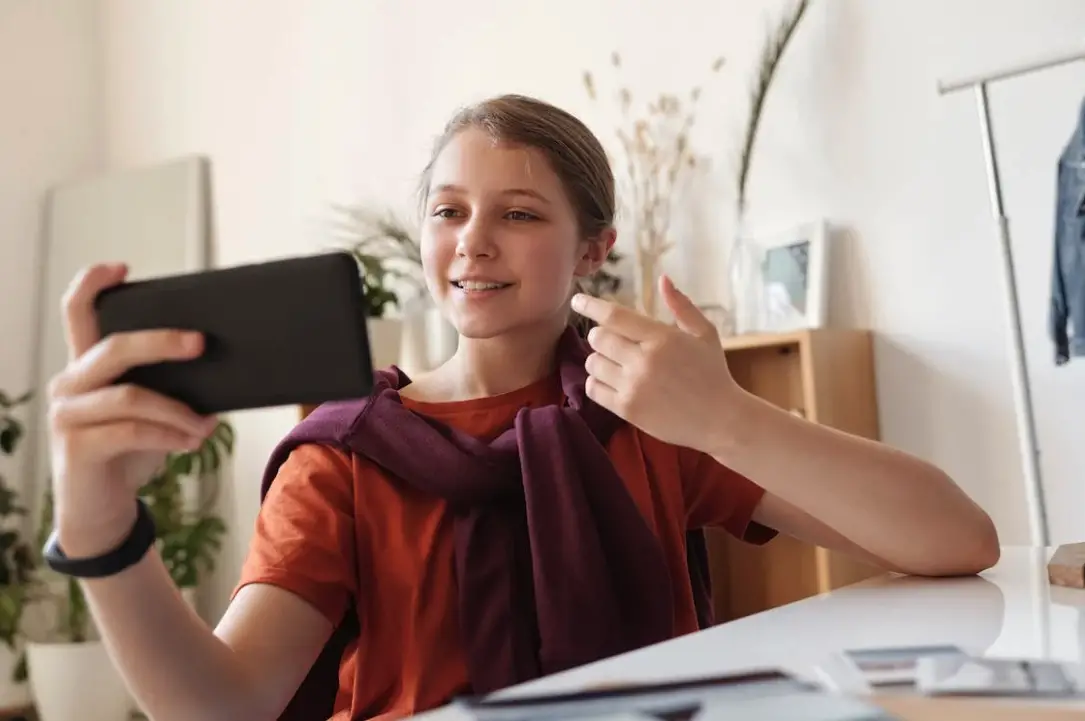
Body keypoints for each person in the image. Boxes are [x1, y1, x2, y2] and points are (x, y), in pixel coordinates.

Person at [44, 94, 1000, 721]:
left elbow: (956, 539)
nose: (474, 243)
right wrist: (98, 524)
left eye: (520, 213)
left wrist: (729, 418)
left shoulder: (654, 416)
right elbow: (225, 704)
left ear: (593, 249)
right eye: (449, 211)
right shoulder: (344, 455)